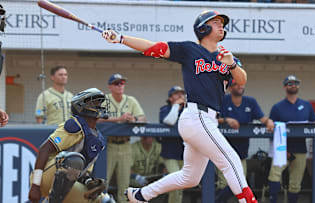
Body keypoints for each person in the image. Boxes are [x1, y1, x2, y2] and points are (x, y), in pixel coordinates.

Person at [102, 10, 258, 203]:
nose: (221, 26)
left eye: (221, 23)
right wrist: (121, 38)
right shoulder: (190, 49)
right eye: (216, 22)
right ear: (203, 27)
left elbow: (241, 80)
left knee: (190, 177)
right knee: (230, 160)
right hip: (196, 116)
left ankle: (140, 195)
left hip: (205, 120)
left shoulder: (226, 56)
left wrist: (232, 64)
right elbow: (153, 47)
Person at [28, 88, 115, 203]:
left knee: (105, 200)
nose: (99, 106)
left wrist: (90, 182)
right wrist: (35, 185)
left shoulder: (98, 139)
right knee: (73, 160)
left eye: (99, 103)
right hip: (46, 178)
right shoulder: (75, 125)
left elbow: (82, 173)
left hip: (67, 182)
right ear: (81, 106)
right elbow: (45, 149)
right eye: (94, 103)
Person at [216, 79, 274, 202]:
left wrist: (269, 121)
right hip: (223, 151)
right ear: (230, 88)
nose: (240, 86)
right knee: (224, 184)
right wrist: (226, 120)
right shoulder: (223, 100)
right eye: (236, 84)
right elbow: (212, 118)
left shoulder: (250, 102)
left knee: (240, 184)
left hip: (241, 152)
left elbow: (262, 118)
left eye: (241, 84)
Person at [267, 75, 315, 203]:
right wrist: (281, 150)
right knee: (274, 175)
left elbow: (314, 123)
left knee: (295, 183)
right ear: (285, 87)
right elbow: (271, 129)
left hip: (300, 149)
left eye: (296, 83)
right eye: (290, 83)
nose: (293, 85)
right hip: (282, 149)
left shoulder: (306, 105)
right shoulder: (277, 107)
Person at [98, 73, 147, 203]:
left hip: (125, 145)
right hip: (108, 145)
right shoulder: (104, 100)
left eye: (122, 83)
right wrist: (119, 119)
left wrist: (134, 119)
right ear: (110, 86)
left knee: (124, 186)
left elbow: (143, 118)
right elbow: (97, 118)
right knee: (104, 183)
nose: (120, 86)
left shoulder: (131, 100)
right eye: (116, 83)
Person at [159, 86, 186, 203]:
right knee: (176, 184)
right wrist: (176, 106)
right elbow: (170, 121)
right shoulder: (165, 109)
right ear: (170, 98)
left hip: (185, 154)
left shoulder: (188, 110)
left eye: (181, 94)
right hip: (170, 154)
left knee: (180, 187)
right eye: (176, 94)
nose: (180, 96)